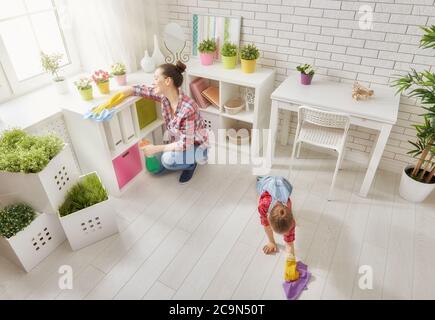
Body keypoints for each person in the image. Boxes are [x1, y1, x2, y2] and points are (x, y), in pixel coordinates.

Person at [123, 61, 209, 183]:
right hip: (180, 143)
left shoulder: (188, 108)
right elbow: (144, 90)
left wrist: (156, 149)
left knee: (167, 160)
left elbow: (186, 144)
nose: (153, 82)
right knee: (155, 170)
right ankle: (179, 158)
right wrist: (124, 92)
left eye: (156, 78)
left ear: (168, 81)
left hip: (197, 146)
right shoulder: (165, 97)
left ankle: (191, 164)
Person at [256, 176, 296, 257]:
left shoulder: (288, 204)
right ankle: (261, 177)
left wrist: (291, 258)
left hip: (282, 184)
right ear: (268, 218)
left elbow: (290, 242)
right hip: (266, 184)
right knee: (259, 183)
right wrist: (271, 242)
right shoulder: (263, 206)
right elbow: (266, 226)